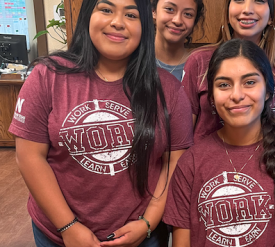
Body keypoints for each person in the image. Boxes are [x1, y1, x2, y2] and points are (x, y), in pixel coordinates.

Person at [8, 0, 193, 246]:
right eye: (106, 10)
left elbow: (175, 162)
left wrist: (148, 222)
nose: (117, 22)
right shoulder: (47, 76)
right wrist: (68, 227)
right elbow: (29, 157)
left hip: (142, 235)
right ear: (87, 17)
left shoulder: (168, 89)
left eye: (131, 14)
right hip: (58, 234)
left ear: (145, 26)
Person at [163, 39, 275, 247]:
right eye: (224, 84)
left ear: (268, 91)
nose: (237, 95)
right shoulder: (191, 164)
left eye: (249, 82)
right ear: (212, 97)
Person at [183, 0, 275, 143]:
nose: (247, 9)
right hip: (205, 162)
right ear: (227, 13)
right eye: (239, 0)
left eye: (259, 1)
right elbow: (182, 136)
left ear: (271, 16)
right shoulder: (199, 61)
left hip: (266, 161)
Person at [152, 0, 204, 81]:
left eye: (187, 14)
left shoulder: (201, 70)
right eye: (170, 9)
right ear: (153, 11)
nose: (177, 21)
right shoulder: (132, 61)